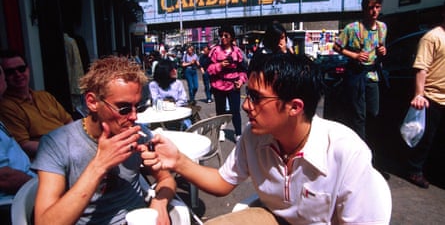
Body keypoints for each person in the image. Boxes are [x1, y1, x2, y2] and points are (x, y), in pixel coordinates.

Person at [143, 53, 392, 224]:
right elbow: (222, 182)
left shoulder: (345, 151)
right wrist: (177, 161)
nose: (246, 106)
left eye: (256, 97)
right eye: (246, 95)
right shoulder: (254, 137)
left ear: (294, 107)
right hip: (275, 218)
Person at [31, 56, 176, 225]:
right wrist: (100, 165)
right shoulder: (57, 144)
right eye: (124, 108)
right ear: (92, 102)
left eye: (139, 106)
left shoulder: (139, 134)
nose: (134, 116)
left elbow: (166, 179)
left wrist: (159, 202)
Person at [333, 0, 387, 141]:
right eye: (371, 8)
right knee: (359, 116)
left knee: (374, 112)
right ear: (364, 9)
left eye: (377, 7)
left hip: (373, 75)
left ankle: (370, 142)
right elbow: (336, 47)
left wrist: (383, 51)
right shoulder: (352, 28)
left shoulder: (382, 27)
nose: (374, 11)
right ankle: (360, 146)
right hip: (357, 75)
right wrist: (355, 55)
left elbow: (381, 48)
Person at [0, 50, 73, 158]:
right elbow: (24, 145)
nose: (18, 74)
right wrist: (64, 149)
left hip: (70, 147)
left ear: (28, 69)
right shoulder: (6, 106)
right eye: (10, 72)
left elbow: (69, 122)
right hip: (48, 157)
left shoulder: (44, 96)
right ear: (3, 77)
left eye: (21, 69)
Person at [406, 0, 445, 189]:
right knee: (425, 139)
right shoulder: (432, 37)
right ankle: (415, 171)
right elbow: (421, 68)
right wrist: (419, 94)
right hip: (432, 97)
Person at [0, 64, 36, 225]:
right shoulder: (10, 108)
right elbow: (4, 177)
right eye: (9, 71)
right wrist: (46, 187)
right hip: (11, 206)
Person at [207, 26, 247, 140]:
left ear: (231, 37)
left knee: (235, 110)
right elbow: (208, 69)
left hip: (233, 85)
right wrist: (219, 65)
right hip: (218, 85)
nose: (223, 38)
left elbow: (243, 70)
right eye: (221, 36)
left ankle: (238, 133)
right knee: (220, 110)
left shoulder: (238, 52)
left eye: (226, 36)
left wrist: (240, 81)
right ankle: (220, 131)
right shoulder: (215, 51)